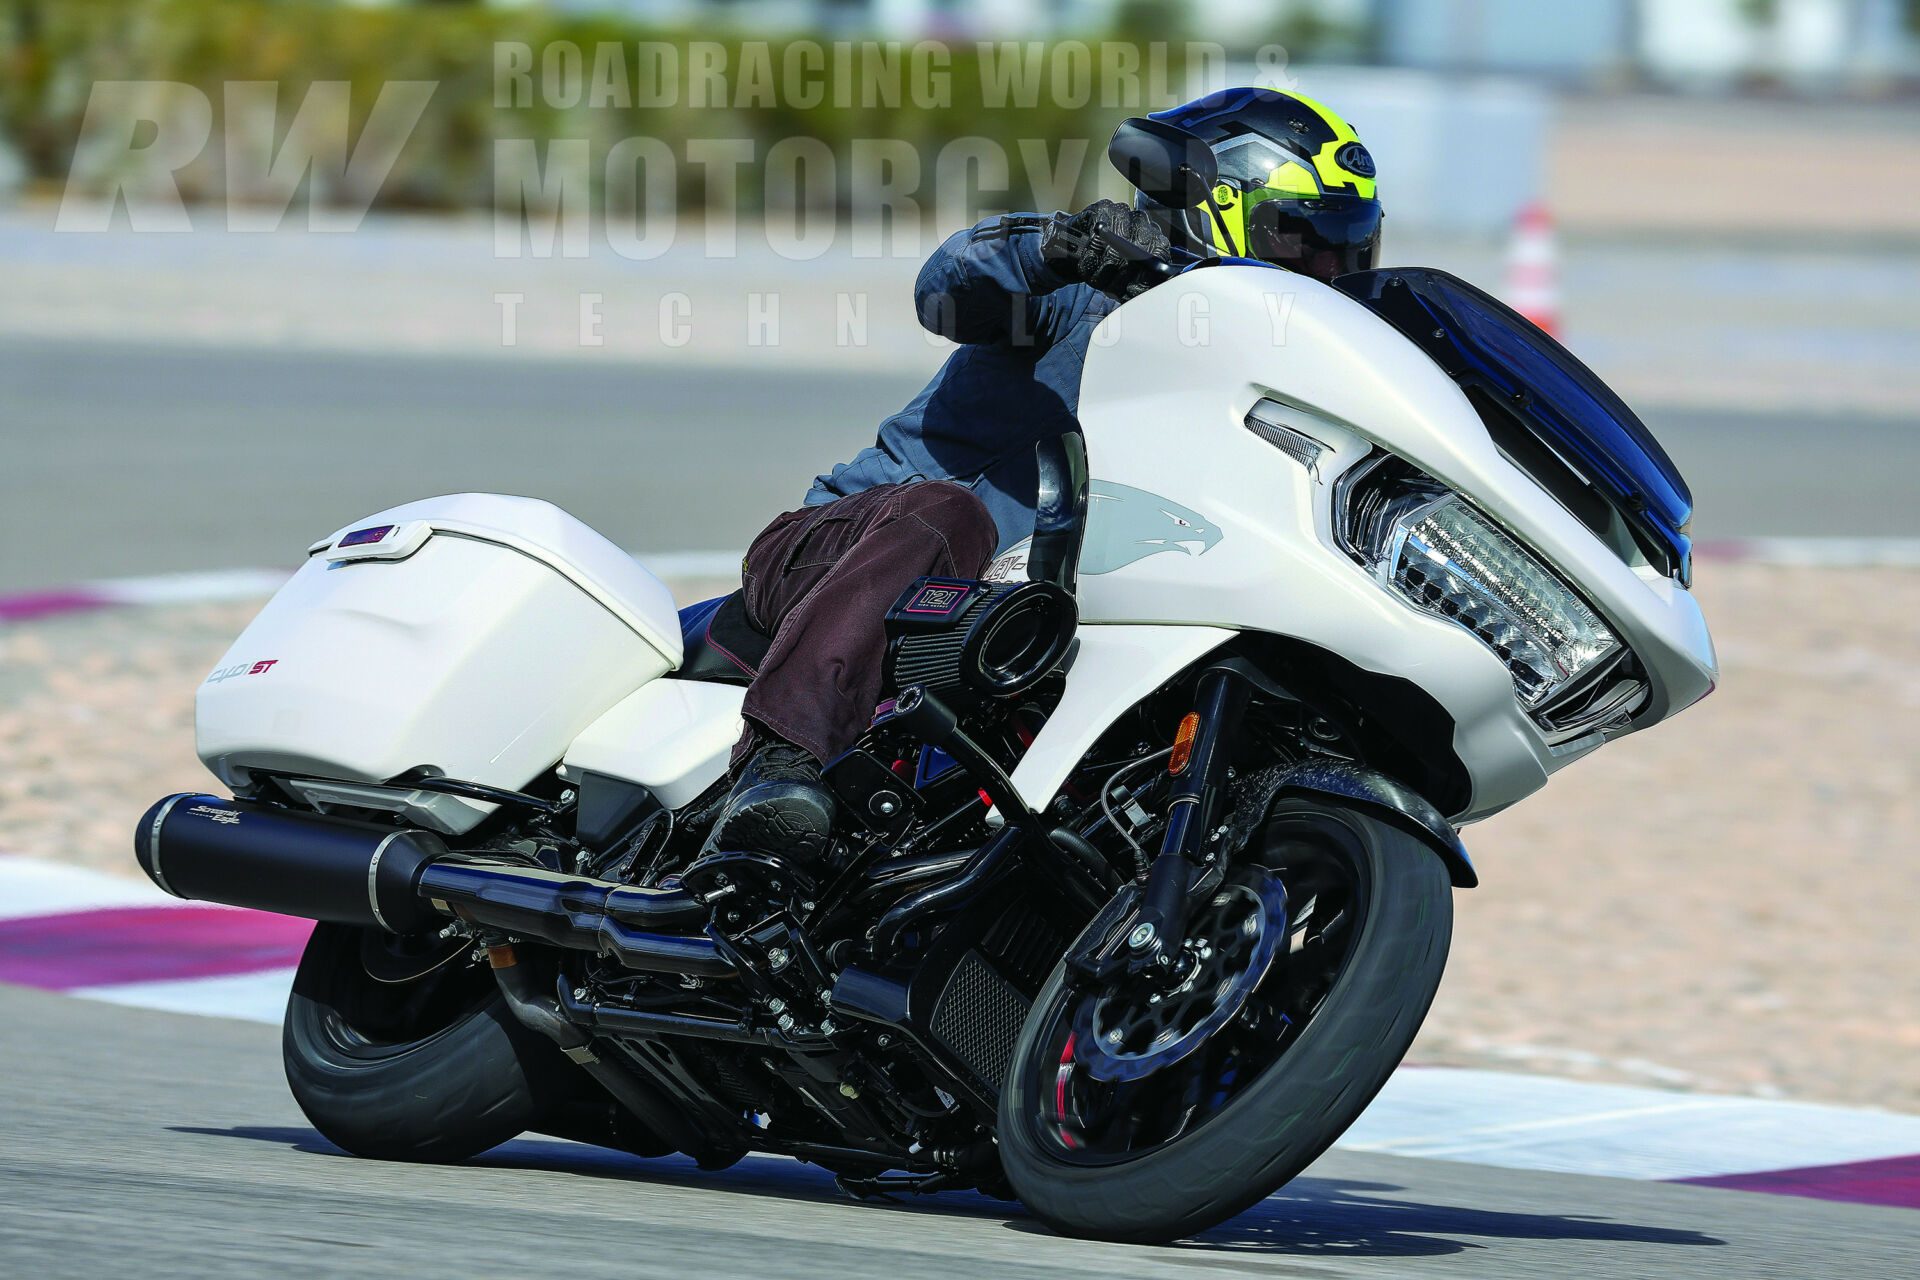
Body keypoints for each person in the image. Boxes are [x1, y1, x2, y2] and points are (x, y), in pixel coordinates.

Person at [703, 87, 1384, 864]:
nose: (1328, 271)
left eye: (1347, 249)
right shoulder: (1082, 294)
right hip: (839, 559)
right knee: (949, 514)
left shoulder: (1262, 390)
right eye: (1303, 241)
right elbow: (947, 290)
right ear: (1224, 210)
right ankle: (778, 766)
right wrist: (1058, 246)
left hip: (1014, 619)